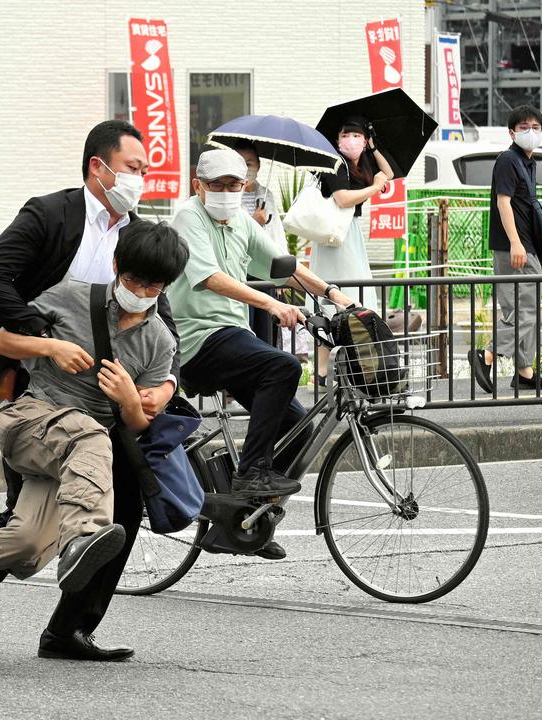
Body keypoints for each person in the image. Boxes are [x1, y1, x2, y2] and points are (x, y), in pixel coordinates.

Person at [0, 120, 181, 665]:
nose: (140, 178)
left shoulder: (137, 234)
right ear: (99, 167)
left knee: (124, 509)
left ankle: (69, 630)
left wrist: (165, 386)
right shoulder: (51, 214)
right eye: (132, 168)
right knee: (24, 517)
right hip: (40, 391)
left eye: (143, 170)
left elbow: (164, 317)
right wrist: (42, 336)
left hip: (110, 403)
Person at [0, 222, 187, 626]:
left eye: (155, 287)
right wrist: (52, 346)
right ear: (116, 265)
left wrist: (131, 399)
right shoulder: (71, 296)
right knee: (92, 435)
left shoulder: (160, 341)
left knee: (23, 543)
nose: (142, 292)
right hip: (29, 420)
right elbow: (0, 342)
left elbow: (137, 425)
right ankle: (84, 535)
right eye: (134, 280)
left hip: (75, 453)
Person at [169, 148, 358, 535]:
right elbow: (208, 277)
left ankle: (246, 522)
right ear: (197, 186)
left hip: (232, 338)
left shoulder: (239, 219)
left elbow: (280, 265)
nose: (226, 191)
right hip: (196, 339)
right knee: (283, 365)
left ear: (245, 186)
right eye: (216, 184)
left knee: (299, 425)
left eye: (234, 184)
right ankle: (251, 473)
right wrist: (270, 303)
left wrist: (334, 294)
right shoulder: (188, 217)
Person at [468, 105, 542, 392]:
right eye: (524, 128)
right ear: (512, 132)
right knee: (524, 311)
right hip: (514, 249)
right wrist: (516, 243)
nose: (531, 133)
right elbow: (503, 202)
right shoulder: (509, 159)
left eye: (536, 128)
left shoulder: (528, 162)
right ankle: (487, 355)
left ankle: (525, 373)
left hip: (525, 248)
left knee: (522, 309)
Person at [312, 116, 394, 384]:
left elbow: (388, 173)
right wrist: (373, 187)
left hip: (349, 234)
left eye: (357, 136)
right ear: (337, 140)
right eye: (346, 135)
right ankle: (324, 371)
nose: (351, 140)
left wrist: (372, 146)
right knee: (334, 300)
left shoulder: (361, 164)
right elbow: (343, 198)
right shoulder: (333, 163)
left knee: (350, 298)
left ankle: (336, 370)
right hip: (335, 238)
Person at [235, 140, 288, 349]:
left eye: (250, 164)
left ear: (258, 166)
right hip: (239, 270)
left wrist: (282, 270)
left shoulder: (267, 195)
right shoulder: (228, 195)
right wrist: (254, 222)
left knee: (265, 323)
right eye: (241, 163)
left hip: (264, 269)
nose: (246, 169)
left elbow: (277, 234)